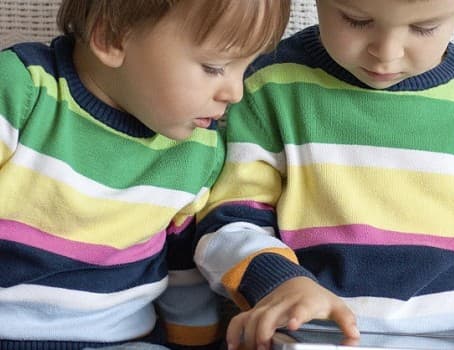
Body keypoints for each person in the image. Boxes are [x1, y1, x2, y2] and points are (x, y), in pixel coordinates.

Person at [194, 0, 454, 349]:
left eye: (424, 28)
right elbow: (228, 224)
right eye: (355, 19)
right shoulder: (271, 86)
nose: (386, 53)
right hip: (317, 337)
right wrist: (279, 284)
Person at [0, 0, 290, 348]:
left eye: (246, 67)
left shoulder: (197, 150)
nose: (236, 92)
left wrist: (194, 340)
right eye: (214, 67)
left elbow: (183, 273)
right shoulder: (23, 90)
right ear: (111, 38)